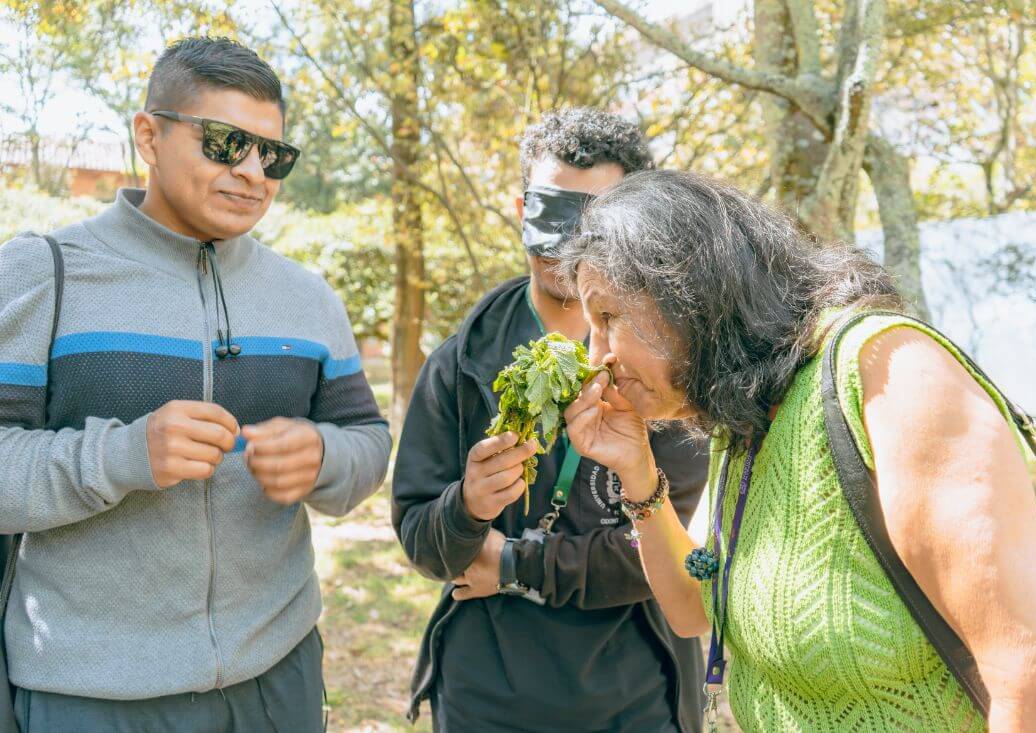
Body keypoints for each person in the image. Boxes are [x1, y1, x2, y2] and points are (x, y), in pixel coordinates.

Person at [558, 169, 1036, 732]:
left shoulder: (889, 373)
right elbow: (695, 607)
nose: (597, 357)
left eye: (609, 318)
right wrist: (636, 470)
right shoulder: (744, 416)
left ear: (687, 292)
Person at [0, 37, 390, 732]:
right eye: (223, 142)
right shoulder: (42, 273)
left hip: (279, 676)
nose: (251, 173)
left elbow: (368, 442)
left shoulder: (309, 297)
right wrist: (123, 455)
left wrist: (325, 458)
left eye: (273, 155)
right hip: (88, 694)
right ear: (149, 134)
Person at [392, 109, 709, 732]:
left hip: (637, 695)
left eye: (588, 218)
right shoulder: (460, 364)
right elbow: (420, 536)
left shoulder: (673, 364)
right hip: (485, 695)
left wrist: (512, 563)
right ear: (519, 206)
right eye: (547, 209)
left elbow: (677, 552)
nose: (561, 244)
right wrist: (467, 507)